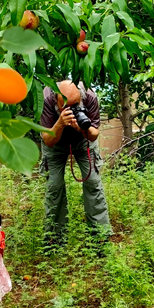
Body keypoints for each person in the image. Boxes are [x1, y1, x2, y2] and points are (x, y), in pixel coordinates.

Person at [39, 79, 110, 239]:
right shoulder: (46, 98)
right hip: (54, 141)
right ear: (56, 99)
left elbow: (94, 134)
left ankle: (100, 236)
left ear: (81, 98)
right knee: (54, 185)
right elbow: (48, 140)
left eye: (75, 105)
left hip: (83, 141)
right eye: (66, 106)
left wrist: (82, 129)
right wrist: (60, 124)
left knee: (92, 181)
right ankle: (54, 237)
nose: (72, 109)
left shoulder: (90, 96)